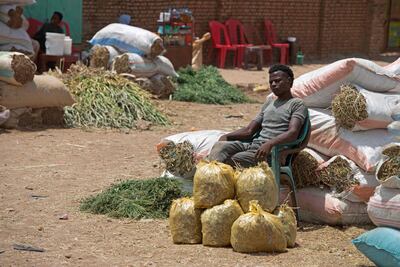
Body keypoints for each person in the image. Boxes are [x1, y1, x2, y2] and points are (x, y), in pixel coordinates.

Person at [207, 64, 307, 168]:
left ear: (289, 81)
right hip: (253, 146)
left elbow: (293, 133)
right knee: (219, 147)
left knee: (234, 159)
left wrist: (270, 144)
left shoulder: (297, 104)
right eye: (271, 82)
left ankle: (215, 177)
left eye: (277, 81)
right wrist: (227, 136)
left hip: (272, 153)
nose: (273, 84)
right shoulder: (269, 103)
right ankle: (210, 178)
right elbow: (249, 131)